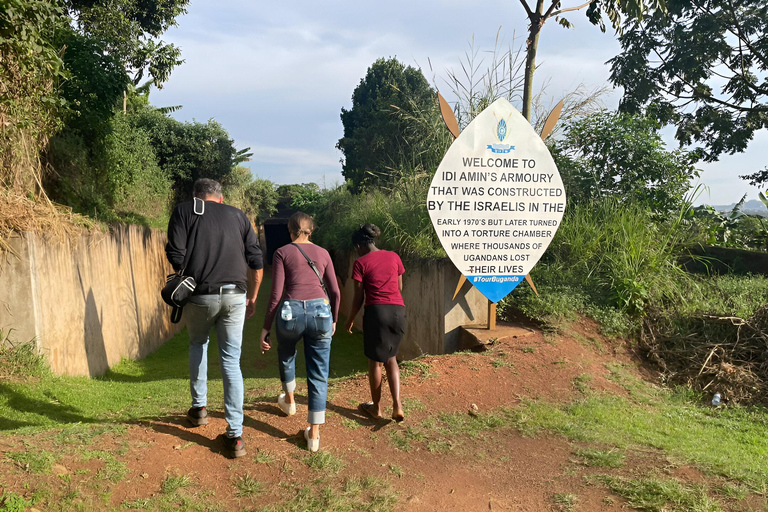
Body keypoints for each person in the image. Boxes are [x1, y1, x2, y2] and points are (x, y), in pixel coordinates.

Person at [165, 178, 263, 459]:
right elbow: (256, 261)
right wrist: (253, 297)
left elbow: (176, 255)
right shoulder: (239, 215)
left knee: (198, 344)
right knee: (231, 361)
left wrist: (188, 266)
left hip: (199, 295)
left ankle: (199, 410)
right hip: (235, 295)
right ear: (220, 198)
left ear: (196, 196)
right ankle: (235, 436)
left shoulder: (185, 210)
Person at [260, 212, 340, 452]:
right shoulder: (324, 253)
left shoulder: (282, 253)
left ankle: (290, 402)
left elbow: (276, 295)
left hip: (290, 313)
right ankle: (314, 434)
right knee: (319, 370)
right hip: (321, 313)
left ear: (290, 229)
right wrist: (333, 319)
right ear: (311, 230)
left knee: (286, 353)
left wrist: (266, 327)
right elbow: (335, 292)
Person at [344, 224, 406, 422]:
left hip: (376, 312)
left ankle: (377, 408)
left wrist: (351, 318)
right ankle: (397, 406)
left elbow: (358, 296)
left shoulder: (360, 263)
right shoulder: (394, 256)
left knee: (375, 361)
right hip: (398, 311)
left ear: (359, 245)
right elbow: (400, 286)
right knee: (392, 358)